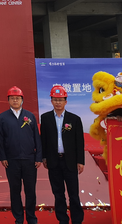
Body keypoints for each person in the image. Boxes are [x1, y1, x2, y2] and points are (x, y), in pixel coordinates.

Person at [0, 86, 42, 224]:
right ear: (8, 100)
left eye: (17, 98)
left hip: (29, 160)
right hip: (11, 161)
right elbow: (0, 140)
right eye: (12, 98)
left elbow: (37, 138)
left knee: (30, 191)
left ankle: (31, 217)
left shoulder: (30, 116)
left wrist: (38, 157)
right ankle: (19, 218)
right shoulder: (3, 117)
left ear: (22, 100)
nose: (15, 100)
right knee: (14, 191)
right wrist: (3, 157)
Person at [40, 85, 84, 224]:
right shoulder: (45, 118)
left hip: (70, 162)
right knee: (58, 194)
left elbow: (79, 142)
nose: (58, 102)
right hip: (54, 162)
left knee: (73, 194)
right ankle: (62, 220)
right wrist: (44, 157)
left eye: (60, 100)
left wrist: (80, 161)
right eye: (55, 99)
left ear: (66, 101)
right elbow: (43, 140)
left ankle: (77, 220)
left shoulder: (74, 119)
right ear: (51, 101)